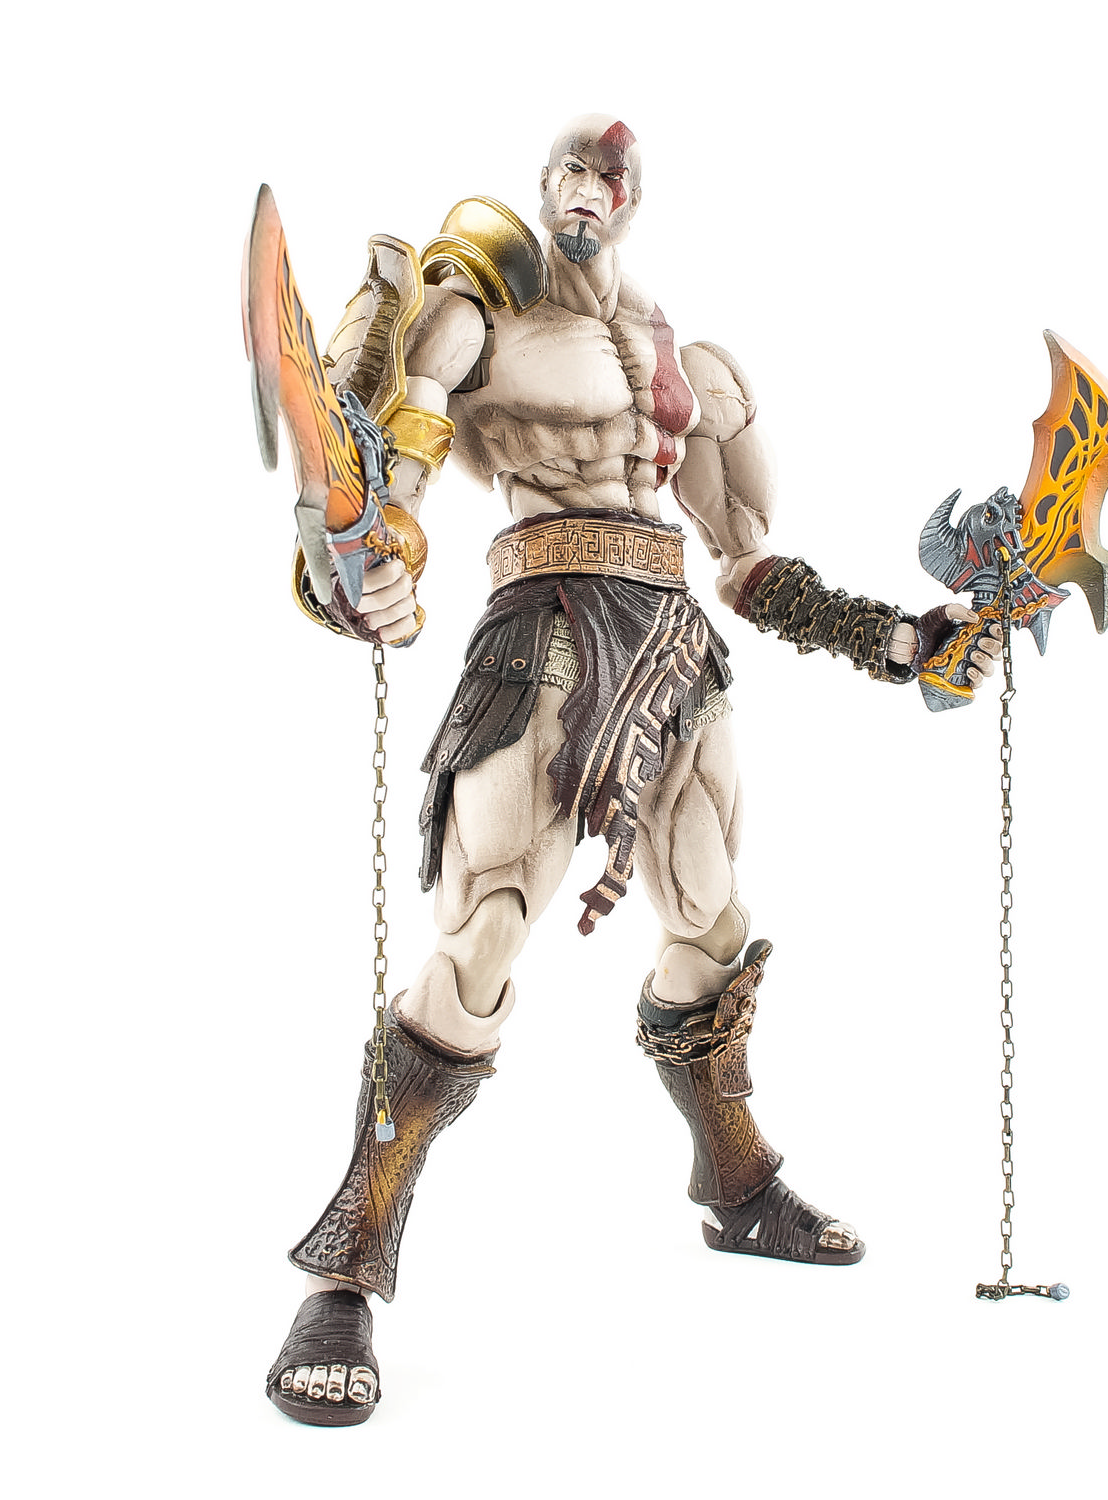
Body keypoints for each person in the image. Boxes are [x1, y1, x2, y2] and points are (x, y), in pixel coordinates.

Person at [265, 114, 1001, 1426]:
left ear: (634, 197)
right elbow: (387, 496)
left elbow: (748, 563)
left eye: (610, 175)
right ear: (544, 186)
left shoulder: (686, 363)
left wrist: (899, 639)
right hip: (542, 630)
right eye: (569, 169)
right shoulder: (476, 315)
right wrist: (370, 577)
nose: (588, 188)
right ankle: (347, 1268)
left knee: (712, 922)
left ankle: (736, 1184)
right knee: (484, 935)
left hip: (675, 642)